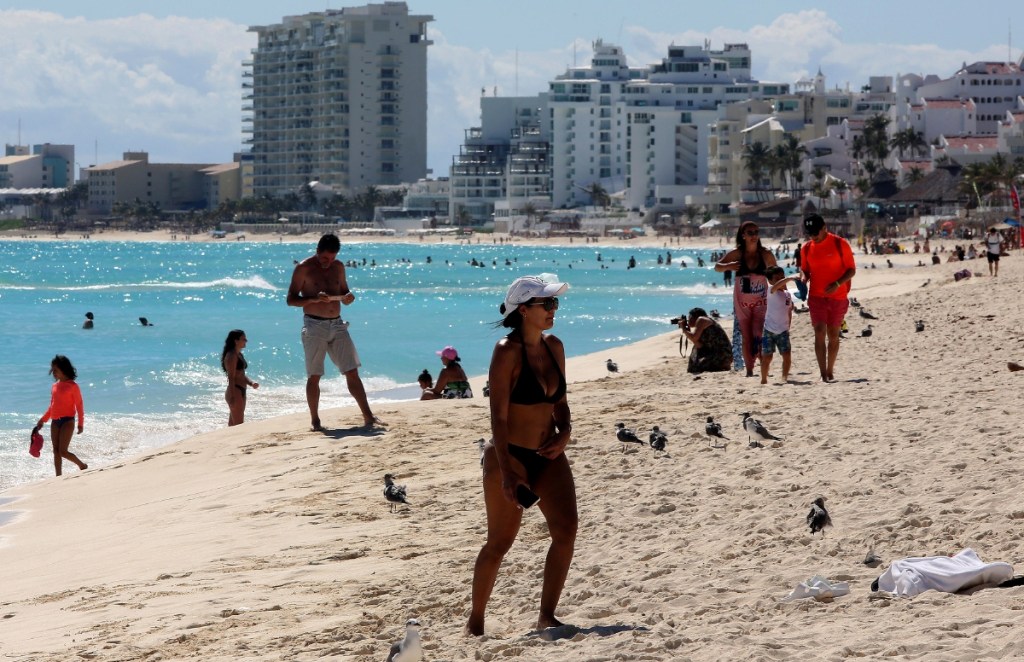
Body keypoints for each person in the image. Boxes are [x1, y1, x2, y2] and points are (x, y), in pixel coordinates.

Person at [467, 275, 576, 636]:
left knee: (566, 530)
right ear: (524, 310)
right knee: (500, 542)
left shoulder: (554, 346)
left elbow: (559, 401)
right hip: (509, 455)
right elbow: (497, 416)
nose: (553, 309)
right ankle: (476, 620)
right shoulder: (506, 351)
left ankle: (547, 615)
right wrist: (508, 472)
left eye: (555, 303)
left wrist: (566, 433)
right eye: (547, 304)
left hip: (548, 454)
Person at [286, 233, 384, 430]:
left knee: (352, 370)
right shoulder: (303, 268)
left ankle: (368, 416)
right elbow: (291, 299)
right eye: (324, 258)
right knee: (315, 375)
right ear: (317, 251)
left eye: (331, 258)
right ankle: (315, 421)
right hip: (314, 325)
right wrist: (313, 299)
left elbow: (344, 291)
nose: (328, 263)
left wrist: (348, 298)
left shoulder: (338, 267)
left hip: (337, 323)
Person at [715, 221, 777, 377]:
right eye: (750, 233)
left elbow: (775, 275)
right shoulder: (737, 254)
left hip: (761, 300)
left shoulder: (765, 254)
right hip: (741, 301)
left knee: (759, 333)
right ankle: (749, 370)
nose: (754, 235)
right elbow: (717, 266)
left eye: (756, 232)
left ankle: (763, 365)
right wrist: (728, 266)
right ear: (743, 235)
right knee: (746, 335)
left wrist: (780, 292)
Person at [799, 214, 856, 382]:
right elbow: (804, 269)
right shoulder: (806, 248)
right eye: (810, 234)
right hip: (816, 296)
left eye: (816, 233)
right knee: (819, 331)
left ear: (825, 228)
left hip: (838, 297)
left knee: (833, 334)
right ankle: (823, 373)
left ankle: (830, 369)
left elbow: (851, 270)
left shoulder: (840, 244)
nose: (813, 237)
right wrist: (803, 278)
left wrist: (838, 283)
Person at [34, 355, 87, 476]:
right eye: (52, 370)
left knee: (63, 451)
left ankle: (81, 465)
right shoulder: (54, 386)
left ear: (64, 369)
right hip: (55, 422)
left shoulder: (73, 386)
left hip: (68, 421)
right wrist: (43, 420)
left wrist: (80, 424)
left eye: (55, 370)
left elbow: (79, 405)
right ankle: (58, 476)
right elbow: (52, 406)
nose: (53, 373)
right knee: (56, 451)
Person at [760, 266, 795, 384]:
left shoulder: (787, 295)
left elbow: (789, 311)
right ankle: (764, 379)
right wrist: (789, 279)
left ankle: (784, 377)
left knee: (787, 356)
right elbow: (777, 285)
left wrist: (788, 326)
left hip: (783, 331)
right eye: (777, 278)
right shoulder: (771, 291)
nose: (781, 280)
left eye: (782, 277)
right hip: (768, 331)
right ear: (770, 281)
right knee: (767, 357)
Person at [678, 307, 733, 374]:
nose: (688, 320)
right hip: (717, 353)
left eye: (689, 317)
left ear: (694, 316)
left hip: (722, 354)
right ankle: (721, 365)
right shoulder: (703, 324)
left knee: (696, 368)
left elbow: (694, 337)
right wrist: (687, 331)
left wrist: (684, 328)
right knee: (693, 367)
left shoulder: (702, 319)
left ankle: (722, 364)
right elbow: (699, 346)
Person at [221, 329, 259, 426]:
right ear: (236, 341)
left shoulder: (239, 354)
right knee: (239, 425)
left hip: (241, 390)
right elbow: (231, 377)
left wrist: (251, 383)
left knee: (233, 424)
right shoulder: (231, 356)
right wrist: (232, 395)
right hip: (235, 391)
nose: (246, 341)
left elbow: (241, 374)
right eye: (243, 339)